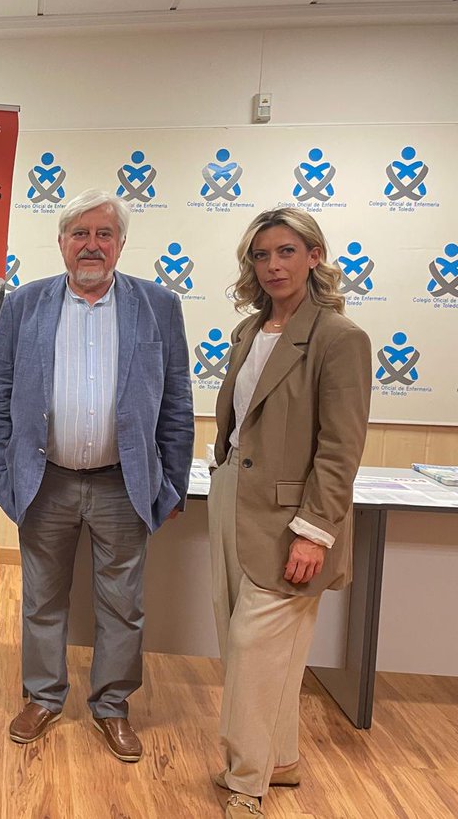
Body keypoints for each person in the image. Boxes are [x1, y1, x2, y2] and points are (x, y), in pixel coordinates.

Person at [0, 189, 193, 762]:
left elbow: (176, 401)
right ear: (61, 243)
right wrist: (5, 475)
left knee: (122, 603)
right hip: (44, 479)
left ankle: (112, 706)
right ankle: (44, 697)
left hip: (123, 484)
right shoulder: (25, 304)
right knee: (42, 598)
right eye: (80, 234)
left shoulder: (158, 306)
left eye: (104, 234)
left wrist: (171, 483)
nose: (92, 245)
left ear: (121, 244)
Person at [208, 208, 371, 819]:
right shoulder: (250, 331)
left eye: (285, 252)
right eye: (260, 255)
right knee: (246, 645)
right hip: (232, 502)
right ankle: (281, 760)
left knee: (254, 654)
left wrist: (315, 533)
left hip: (292, 522)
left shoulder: (338, 338)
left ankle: (246, 784)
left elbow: (340, 448)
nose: (272, 265)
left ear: (314, 255)